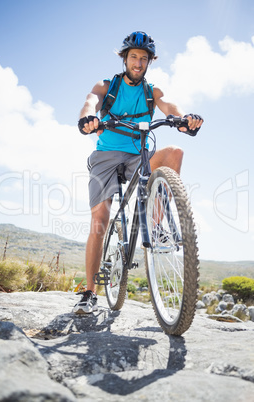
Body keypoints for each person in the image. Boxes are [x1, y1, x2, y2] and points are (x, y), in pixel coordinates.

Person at [74, 31, 203, 314]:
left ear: (148, 63)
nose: (138, 62)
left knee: (174, 153)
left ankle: (155, 227)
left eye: (144, 58)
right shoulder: (108, 85)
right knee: (100, 219)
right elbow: (90, 101)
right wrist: (89, 117)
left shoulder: (151, 91)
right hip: (106, 156)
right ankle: (89, 292)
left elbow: (169, 105)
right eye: (134, 56)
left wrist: (183, 120)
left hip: (138, 155)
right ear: (125, 58)